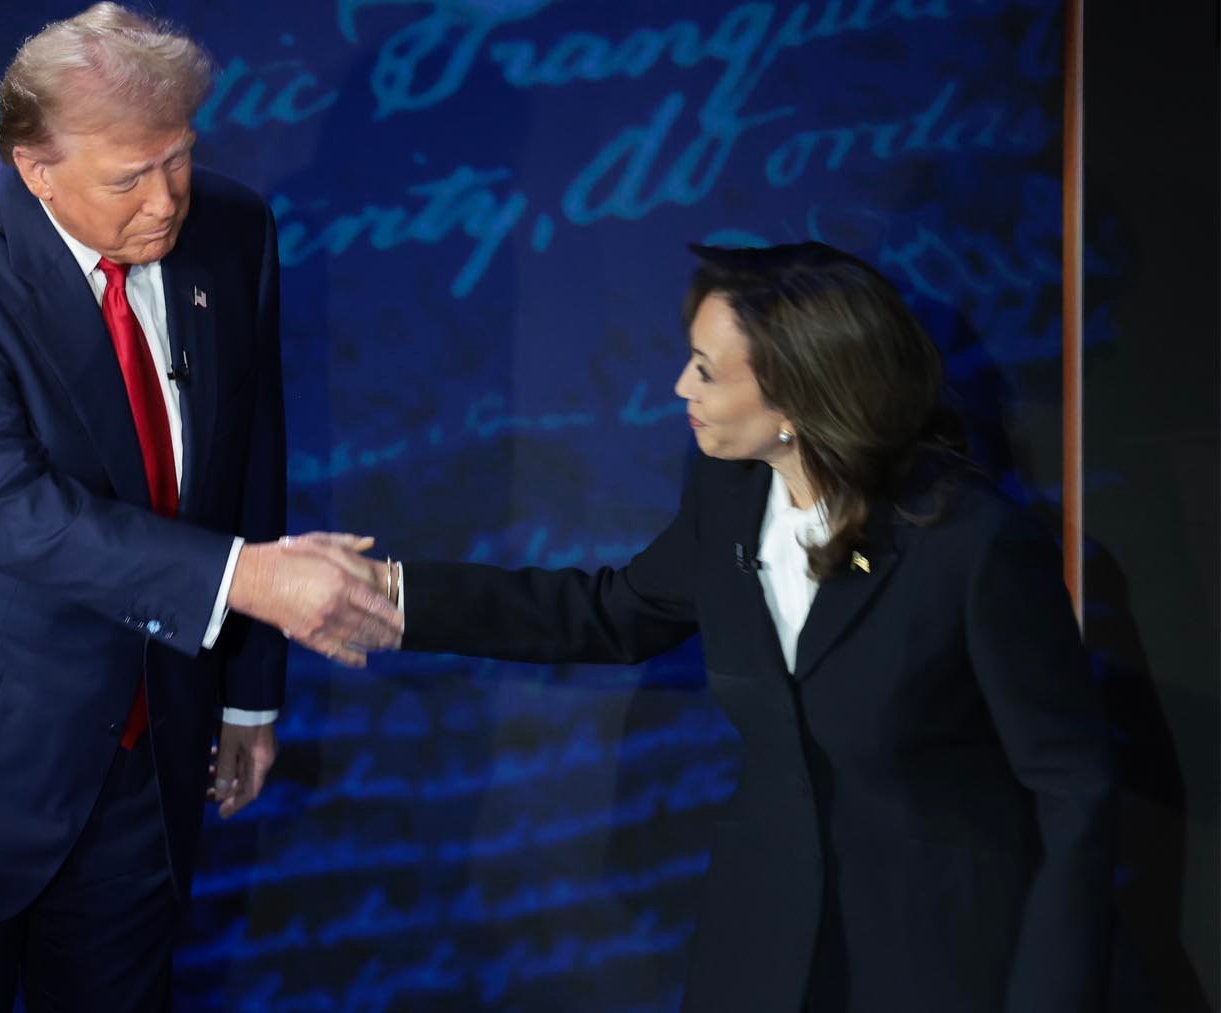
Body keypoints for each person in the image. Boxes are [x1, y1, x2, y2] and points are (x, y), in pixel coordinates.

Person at [0, 5, 400, 1010]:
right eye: (127, 178)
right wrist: (249, 579)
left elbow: (246, 450)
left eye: (179, 160)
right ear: (35, 168)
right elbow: (1, 506)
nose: (166, 202)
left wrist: (244, 690)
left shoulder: (232, 228)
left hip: (146, 752)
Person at [306, 242, 1117, 1011]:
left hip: (936, 958)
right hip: (760, 952)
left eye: (705, 370)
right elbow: (606, 614)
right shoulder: (727, 493)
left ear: (800, 395)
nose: (678, 389)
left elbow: (1072, 787)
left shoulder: (970, 544)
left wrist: (1048, 995)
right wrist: (389, 593)